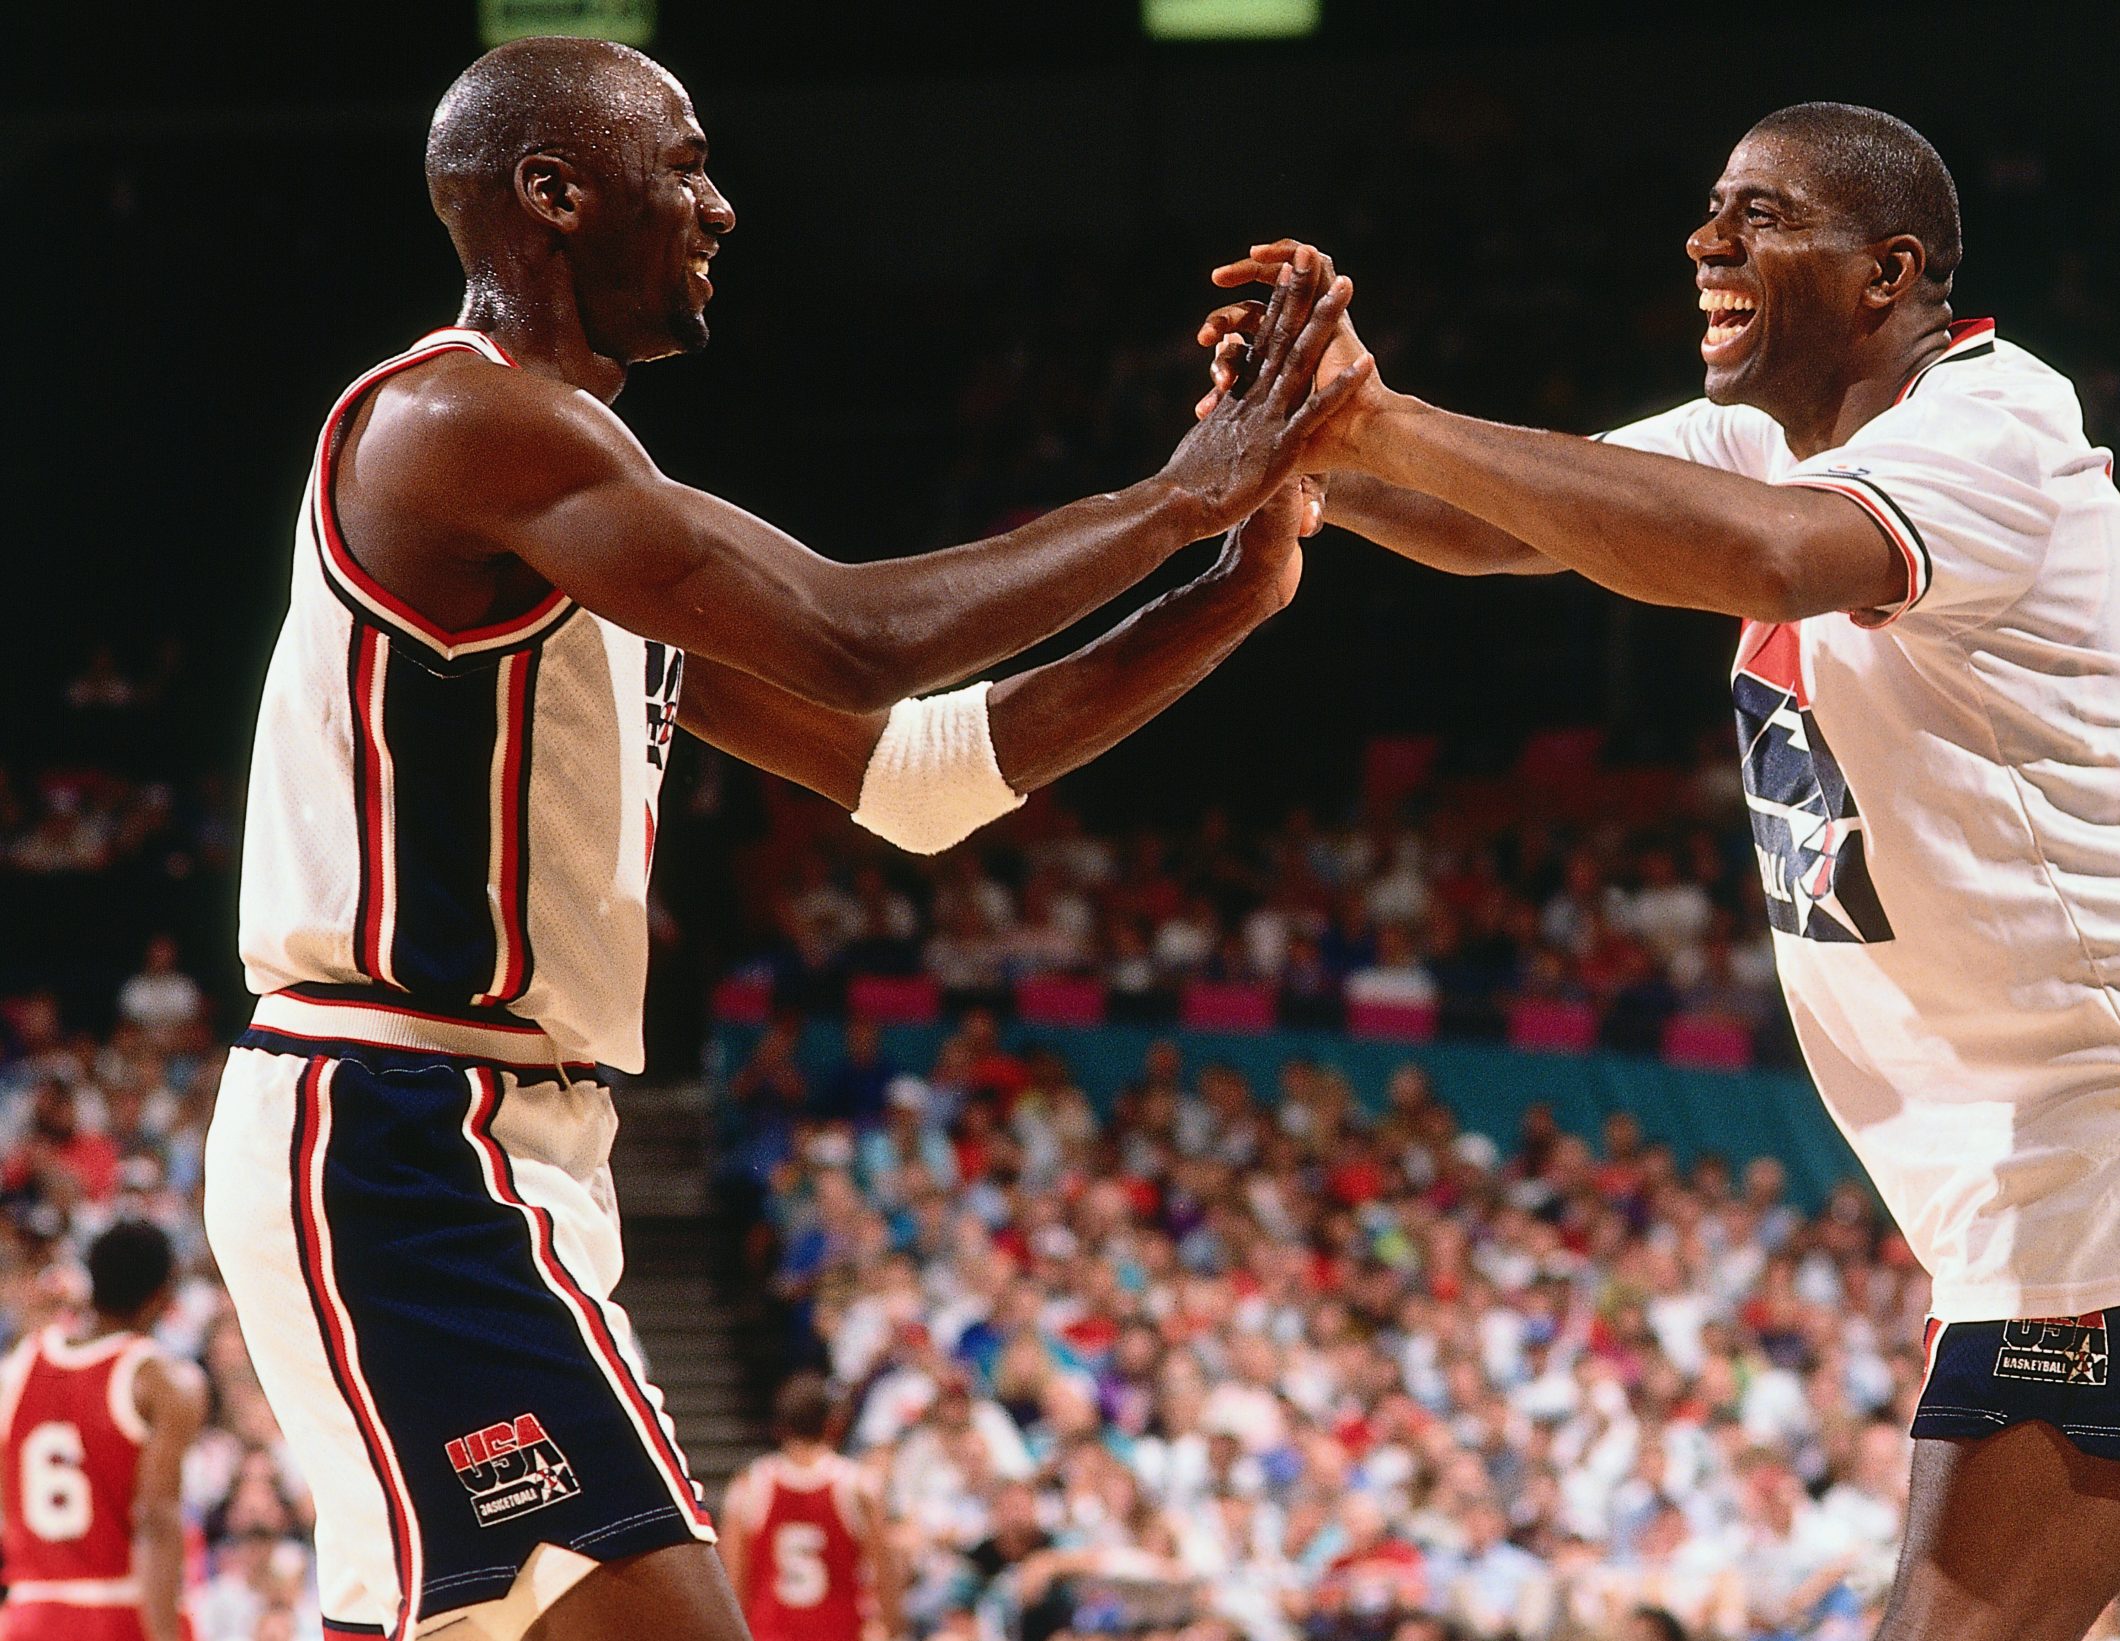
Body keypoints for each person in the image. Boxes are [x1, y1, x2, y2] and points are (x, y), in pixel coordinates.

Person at [1196, 102, 2120, 1641]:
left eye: (1762, 214)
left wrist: (1377, 420)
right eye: (1714, 209)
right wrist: (1292, 452)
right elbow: (1506, 524)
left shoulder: (1993, 426)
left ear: (1886, 273)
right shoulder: (1769, 438)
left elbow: (1775, 558)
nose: (1710, 240)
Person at [203, 34, 1364, 1641]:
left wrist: (1230, 591)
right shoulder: (464, 429)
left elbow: (919, 772)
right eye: (681, 165)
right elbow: (855, 633)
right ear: (552, 195)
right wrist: (1182, 491)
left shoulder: (595, 514)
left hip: (495, 1135)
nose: (722, 207)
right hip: (405, 1131)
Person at [0, 1220, 210, 1641]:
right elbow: (156, 1518)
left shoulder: (18, 1365)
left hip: (30, 1613)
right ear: (162, 1296)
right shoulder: (161, 1379)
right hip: (122, 1610)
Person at [718, 1374, 898, 1641]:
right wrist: (893, 1628)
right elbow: (885, 1574)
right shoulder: (858, 1485)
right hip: (839, 1632)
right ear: (831, 1423)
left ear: (781, 1425)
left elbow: (731, 1580)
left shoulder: (749, 1483)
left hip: (769, 1633)